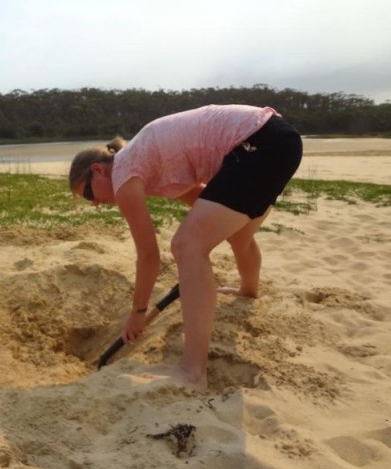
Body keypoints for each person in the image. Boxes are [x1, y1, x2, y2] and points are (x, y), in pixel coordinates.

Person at [69, 104, 303, 392]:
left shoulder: (124, 173)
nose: (95, 204)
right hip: (278, 138)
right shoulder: (148, 162)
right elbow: (206, 201)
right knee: (236, 232)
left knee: (186, 245)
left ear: (98, 170)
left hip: (257, 144)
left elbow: (149, 256)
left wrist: (138, 311)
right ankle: (248, 290)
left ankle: (193, 372)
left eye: (90, 194)